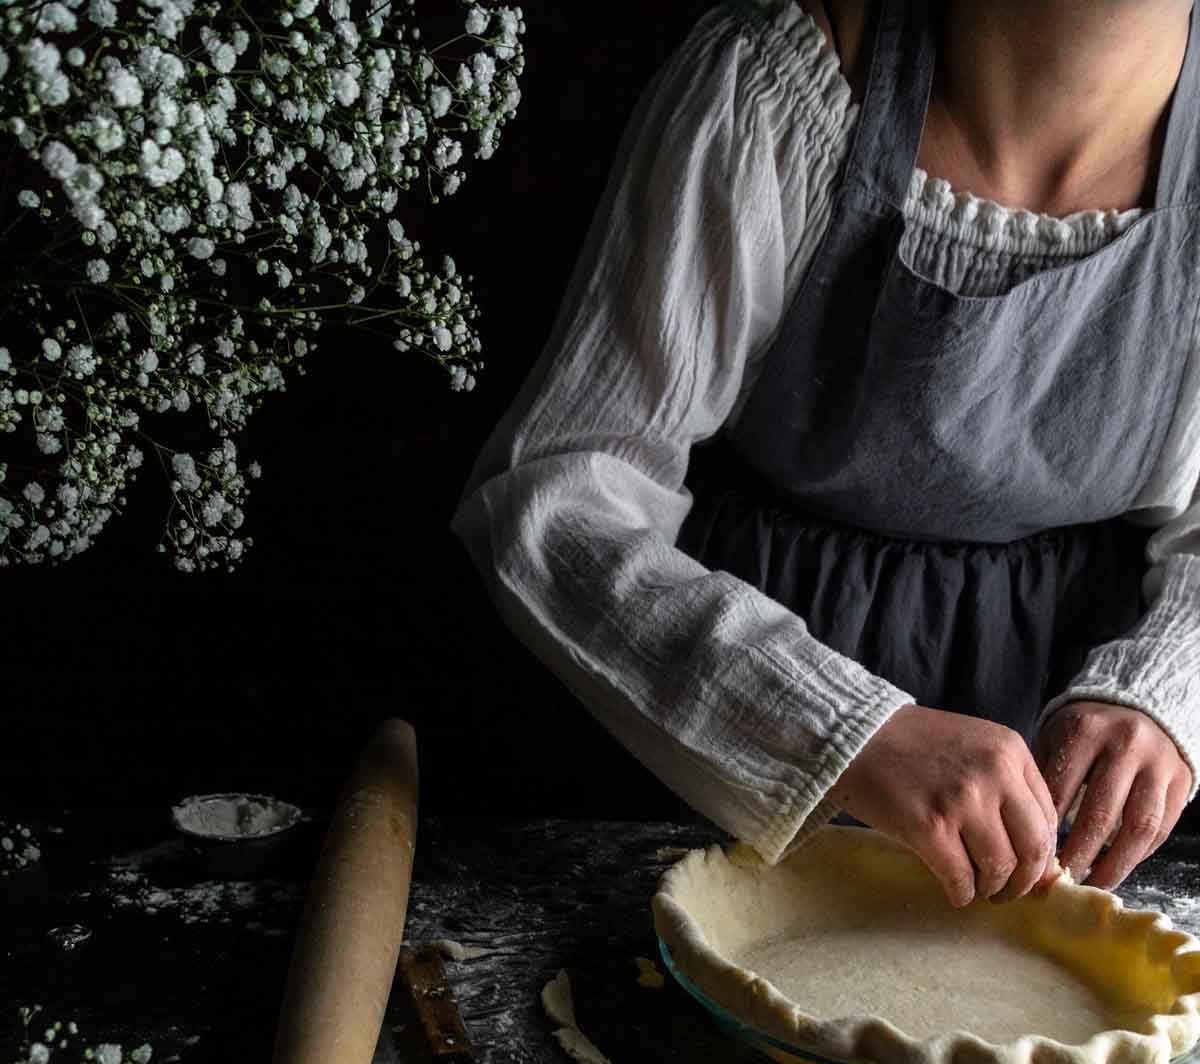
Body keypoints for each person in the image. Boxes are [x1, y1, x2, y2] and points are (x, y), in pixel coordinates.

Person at [452, 0, 1200, 906]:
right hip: (725, 775)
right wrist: (841, 731)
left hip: (1057, 836)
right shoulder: (783, 82)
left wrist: (1163, 689)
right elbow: (559, 498)